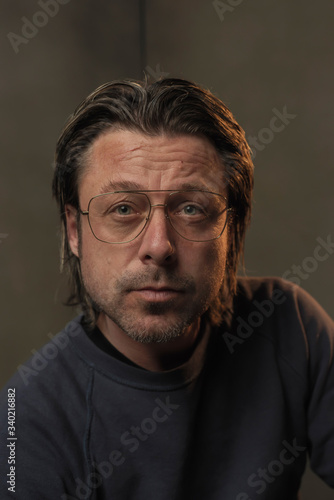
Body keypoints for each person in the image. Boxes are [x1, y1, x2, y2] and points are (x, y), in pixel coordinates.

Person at [0, 78, 333, 500]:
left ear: (232, 227)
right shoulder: (24, 421)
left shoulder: (289, 325)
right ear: (74, 230)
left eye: (191, 208)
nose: (159, 246)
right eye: (123, 209)